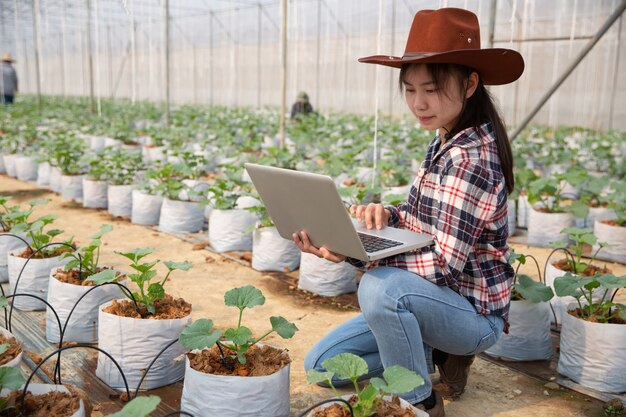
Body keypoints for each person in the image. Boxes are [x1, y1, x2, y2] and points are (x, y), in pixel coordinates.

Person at [294, 8, 523, 417]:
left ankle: (420, 400)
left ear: (470, 84)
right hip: (434, 301)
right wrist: (386, 216)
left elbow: (442, 267)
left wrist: (353, 252)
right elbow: (423, 218)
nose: (418, 102)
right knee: (322, 365)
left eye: (432, 89)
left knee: (381, 287)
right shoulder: (444, 140)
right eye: (410, 89)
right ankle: (433, 354)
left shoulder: (470, 159)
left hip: (470, 312)